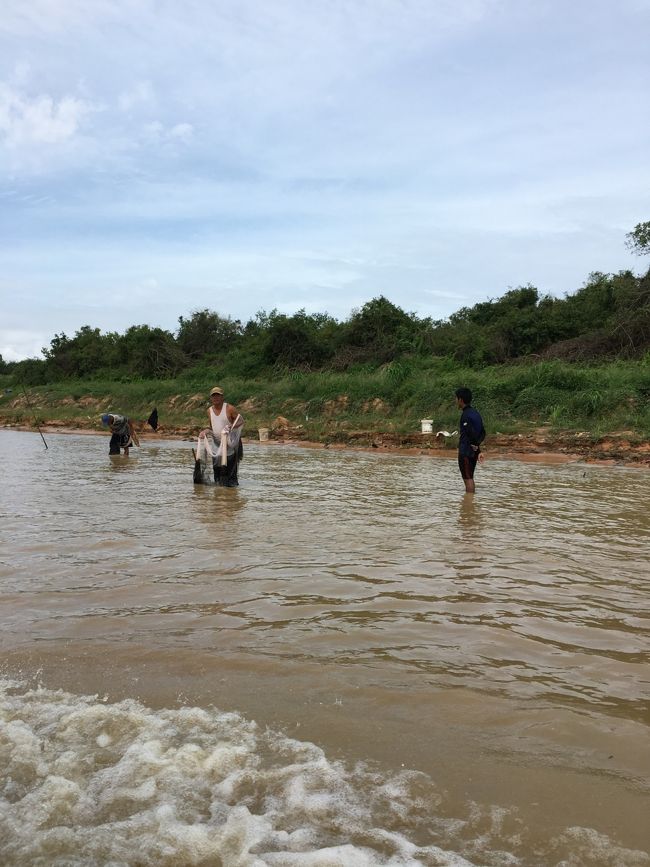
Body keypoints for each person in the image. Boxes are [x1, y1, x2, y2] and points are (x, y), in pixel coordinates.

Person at [196, 386, 244, 486]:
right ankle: (219, 495)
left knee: (230, 474)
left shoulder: (229, 408)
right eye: (213, 396)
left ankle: (231, 491)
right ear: (211, 398)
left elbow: (241, 421)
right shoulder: (209, 411)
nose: (216, 398)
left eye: (218, 396)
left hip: (230, 444)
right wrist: (205, 431)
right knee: (217, 472)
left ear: (222, 397)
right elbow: (212, 427)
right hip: (217, 445)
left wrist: (231, 427)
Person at [455, 388, 485, 493]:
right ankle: (470, 502)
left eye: (456, 399)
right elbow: (482, 433)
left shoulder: (465, 415)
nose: (455, 401)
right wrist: (478, 450)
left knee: (468, 479)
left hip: (466, 452)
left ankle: (469, 505)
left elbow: (470, 433)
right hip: (472, 450)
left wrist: (475, 447)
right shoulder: (476, 413)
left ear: (460, 400)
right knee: (470, 476)